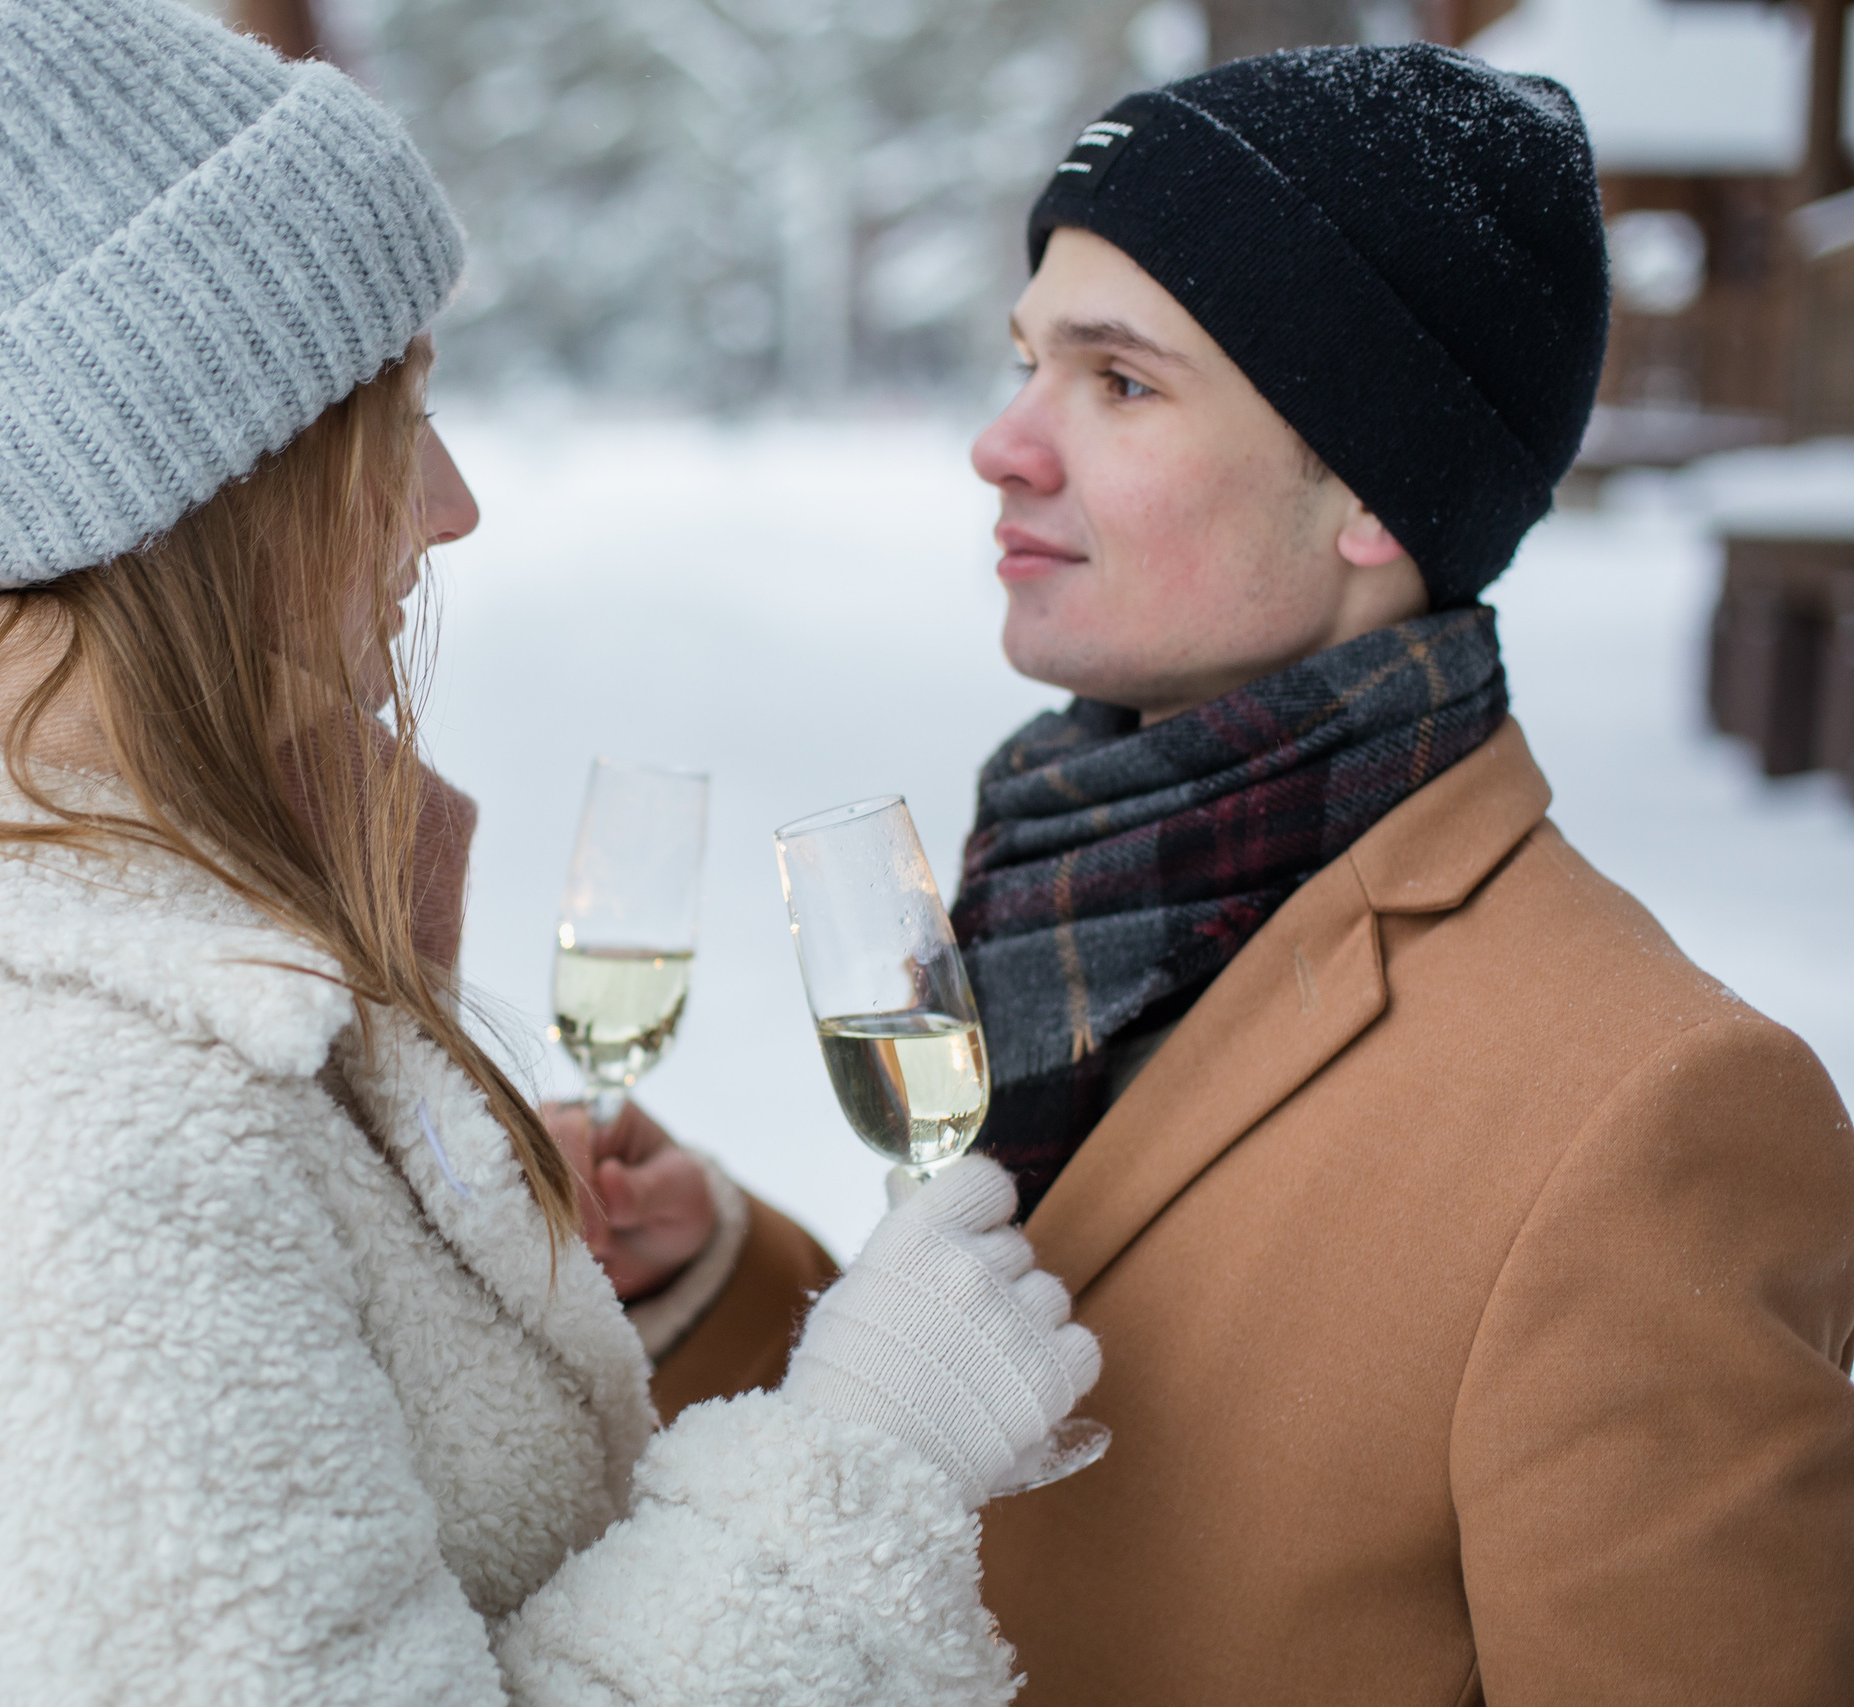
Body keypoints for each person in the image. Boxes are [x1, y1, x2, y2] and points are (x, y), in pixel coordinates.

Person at [0, 2, 1104, 1701]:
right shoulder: (77, 1159)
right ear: (201, 489)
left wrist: (477, 1326)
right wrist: (857, 1472)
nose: (451, 504)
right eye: (395, 414)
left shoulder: (94, 997)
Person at [643, 42, 1854, 1704]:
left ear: (1372, 485)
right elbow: (1015, 1386)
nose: (1003, 444)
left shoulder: (1652, 1116)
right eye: (1028, 362)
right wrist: (717, 1277)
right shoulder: (1072, 891)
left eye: (1119, 382)